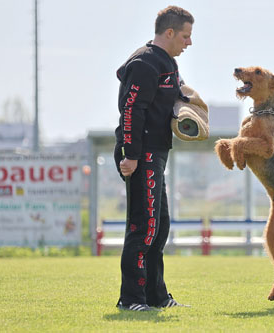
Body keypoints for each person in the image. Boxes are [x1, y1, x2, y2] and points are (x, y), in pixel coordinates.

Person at [113, 5, 193, 311]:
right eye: (185, 36)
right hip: (141, 153)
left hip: (156, 153)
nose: (189, 42)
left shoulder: (166, 62)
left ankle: (157, 298)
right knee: (143, 227)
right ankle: (131, 299)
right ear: (169, 32)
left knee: (159, 226)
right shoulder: (146, 63)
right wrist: (130, 155)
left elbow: (176, 96)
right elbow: (132, 111)